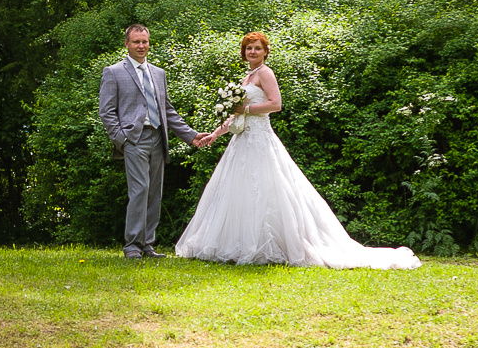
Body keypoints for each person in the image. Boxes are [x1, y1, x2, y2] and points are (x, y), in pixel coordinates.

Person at [175, 32, 420, 269]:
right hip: (242, 142)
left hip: (261, 141)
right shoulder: (246, 78)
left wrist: (246, 111)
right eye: (249, 48)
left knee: (266, 190)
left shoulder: (265, 73)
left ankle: (268, 245)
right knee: (238, 192)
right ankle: (239, 245)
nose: (252, 51)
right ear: (243, 52)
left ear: (265, 52)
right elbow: (235, 115)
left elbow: (275, 104)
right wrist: (215, 134)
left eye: (257, 48)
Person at [98, 23, 207, 259]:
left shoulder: (158, 73)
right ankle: (132, 246)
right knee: (140, 189)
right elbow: (106, 112)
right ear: (126, 44)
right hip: (134, 139)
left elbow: (167, 111)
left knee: (154, 192)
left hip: (158, 137)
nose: (141, 46)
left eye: (144, 41)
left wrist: (191, 135)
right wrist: (122, 140)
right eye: (136, 42)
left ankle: (147, 244)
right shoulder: (114, 71)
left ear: (149, 43)